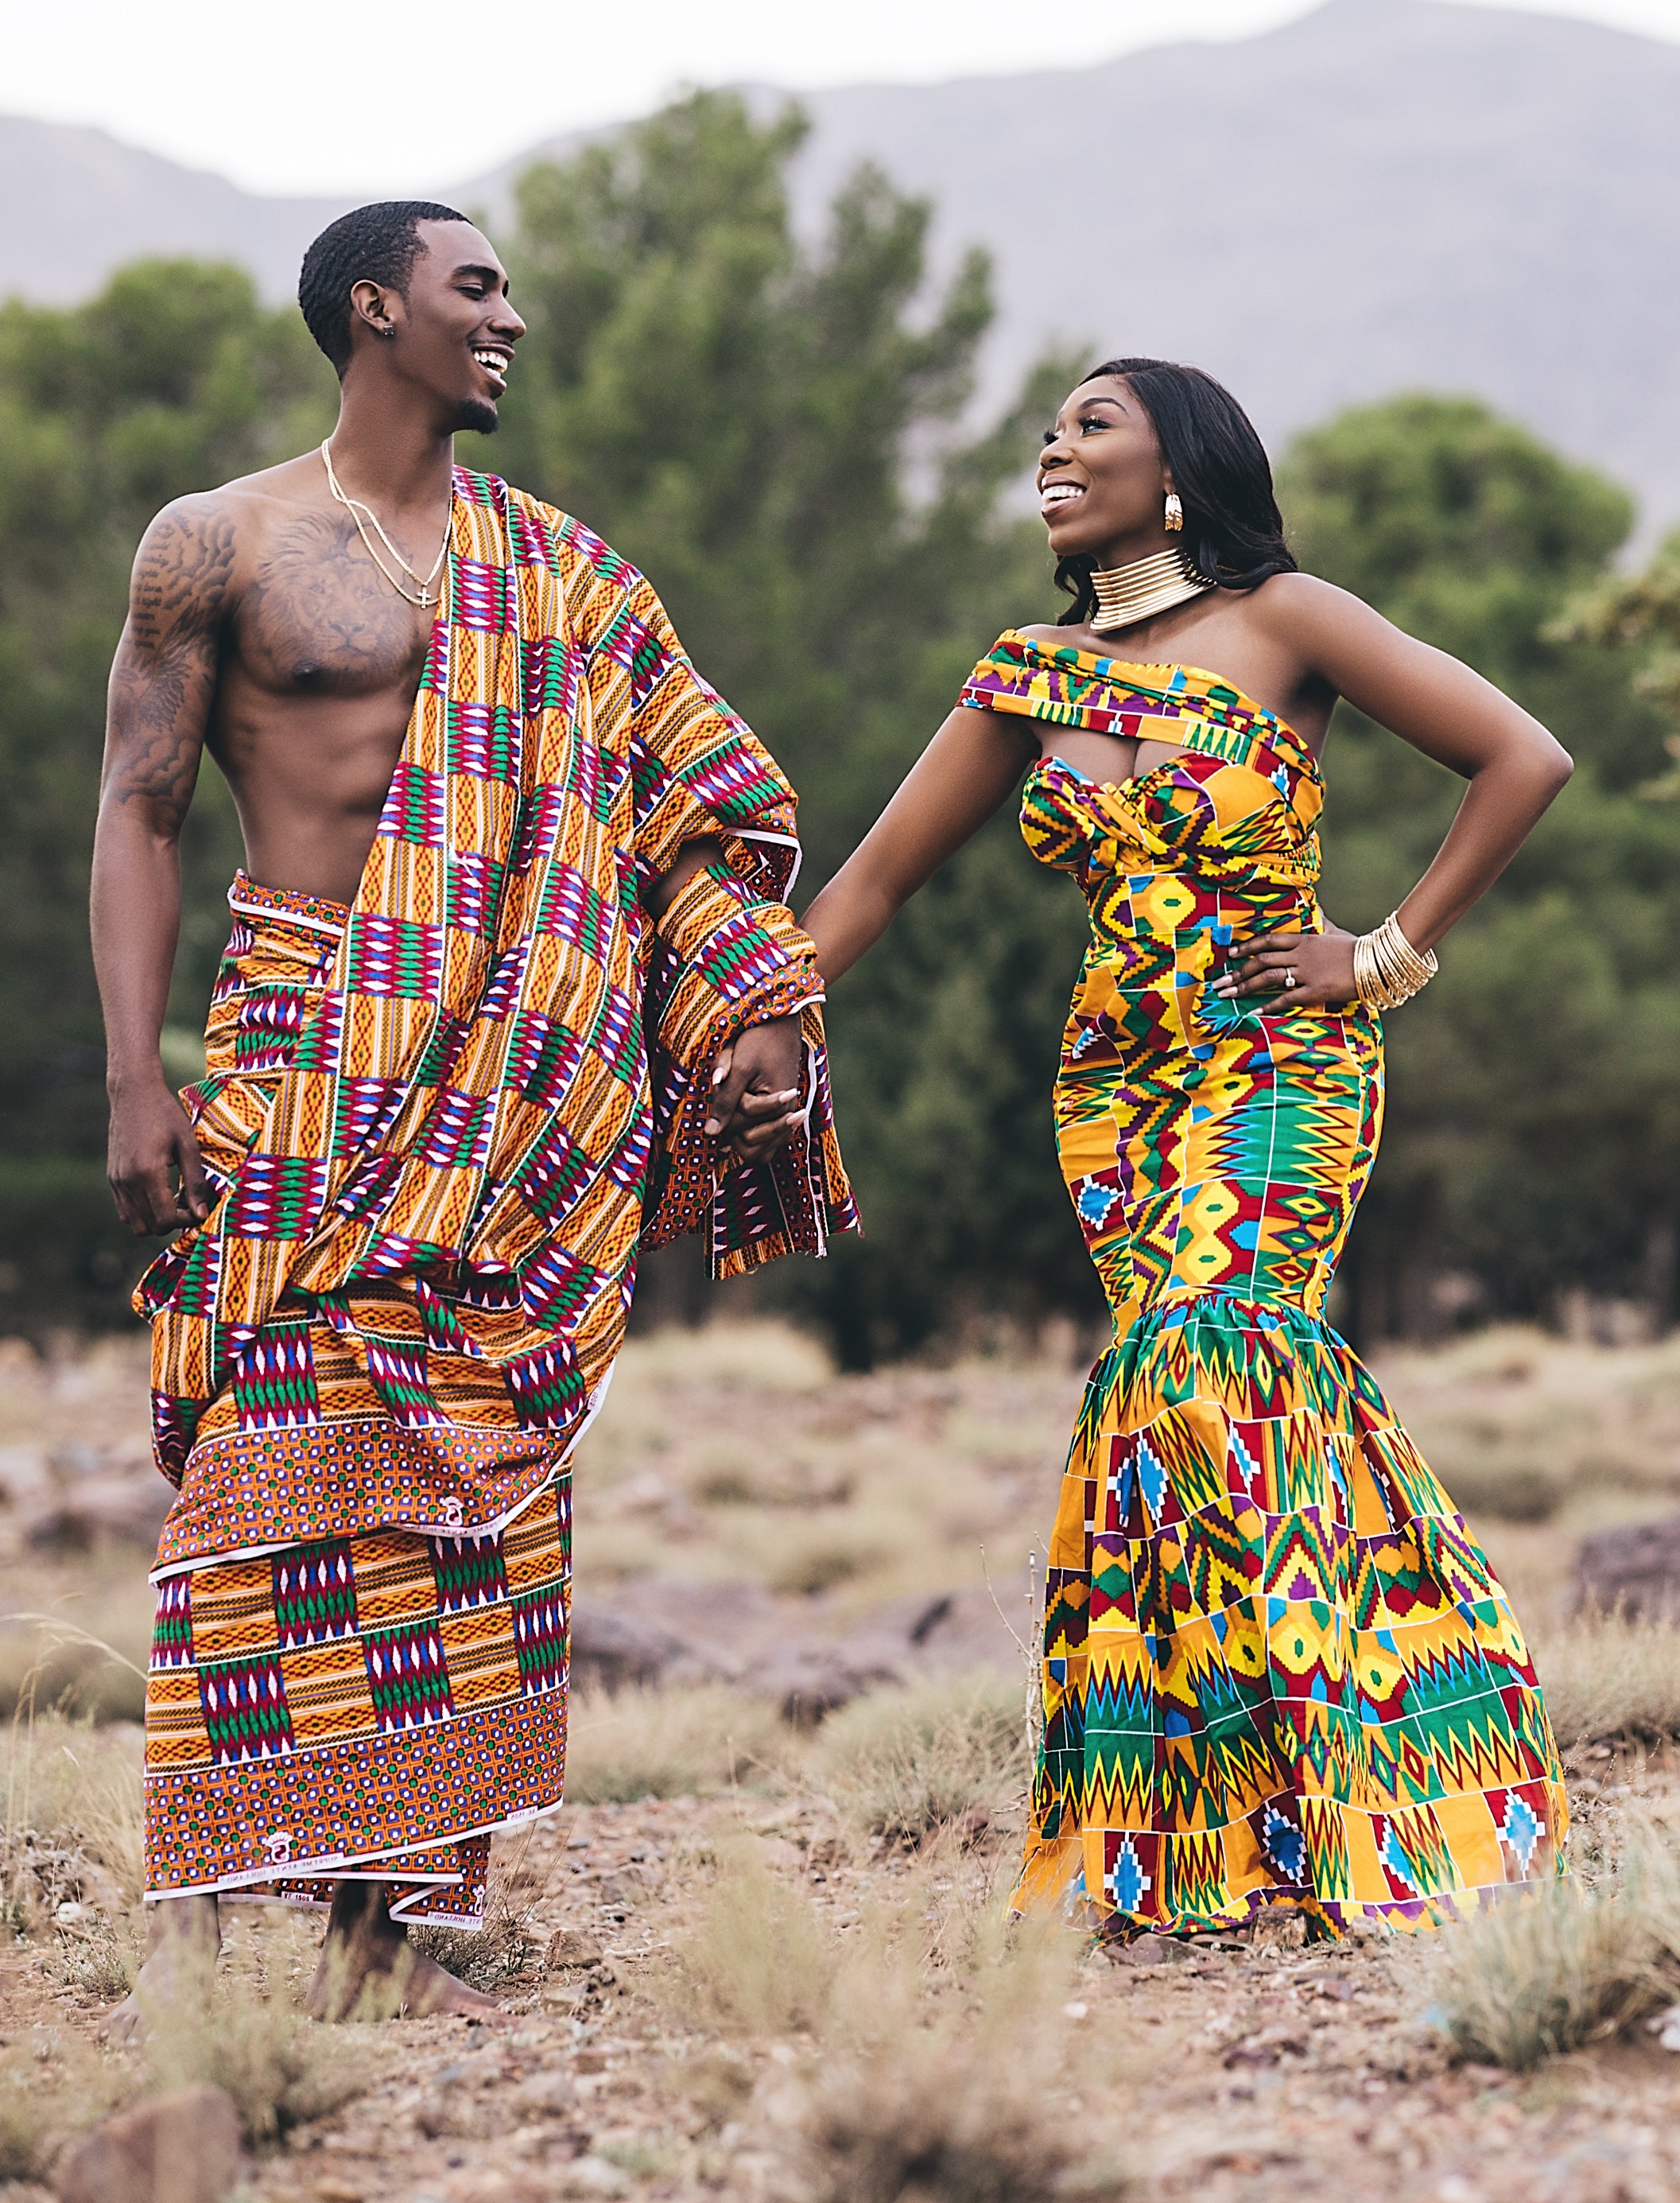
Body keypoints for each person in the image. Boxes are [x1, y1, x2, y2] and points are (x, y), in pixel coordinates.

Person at [89, 200, 852, 2020]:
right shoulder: (217, 543)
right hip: (294, 1041)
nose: (510, 317)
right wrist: (131, 1073)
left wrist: (755, 997)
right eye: (476, 287)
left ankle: (377, 1940)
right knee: (260, 1463)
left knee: (460, 1484)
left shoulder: (563, 570)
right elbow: (139, 810)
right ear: (378, 307)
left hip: (513, 1096)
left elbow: (692, 815)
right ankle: (196, 1928)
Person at [798, 358, 1573, 1934]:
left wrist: (1383, 954)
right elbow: (872, 882)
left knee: (1219, 1353)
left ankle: (1405, 1770)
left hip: (1280, 1054)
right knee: (1169, 1412)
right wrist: (749, 1017)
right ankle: (1209, 1833)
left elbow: (1523, 757)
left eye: (1092, 424)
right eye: (1049, 429)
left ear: (1179, 468)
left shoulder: (1289, 619)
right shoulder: (1029, 675)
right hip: (1119, 1086)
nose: (1053, 447)